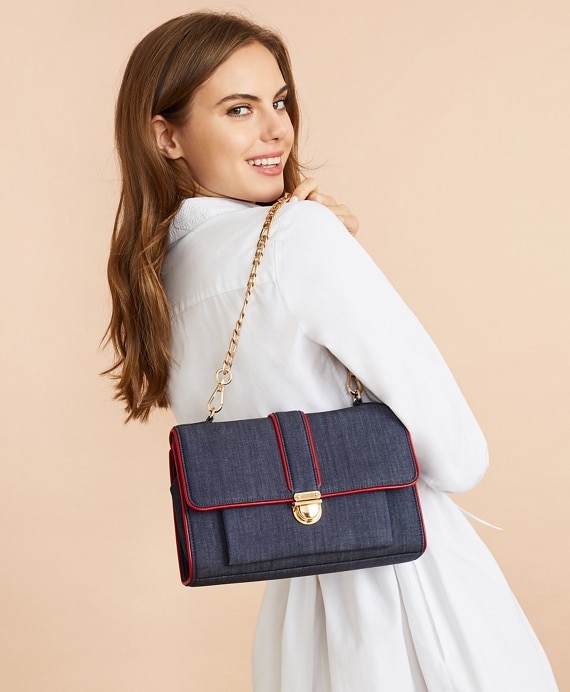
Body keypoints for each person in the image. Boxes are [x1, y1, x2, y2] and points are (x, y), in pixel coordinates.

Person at [105, 11, 558, 691]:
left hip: (299, 615)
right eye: (239, 109)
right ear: (166, 136)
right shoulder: (300, 238)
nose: (276, 130)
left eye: (280, 101)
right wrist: (324, 243)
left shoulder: (164, 277)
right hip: (411, 591)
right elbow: (460, 455)